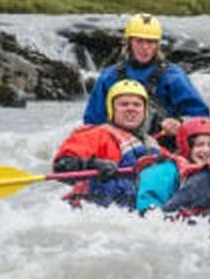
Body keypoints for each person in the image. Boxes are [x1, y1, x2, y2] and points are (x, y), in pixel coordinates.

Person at [82, 13, 210, 143]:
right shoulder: (109, 77)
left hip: (163, 145)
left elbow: (201, 118)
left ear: (157, 45)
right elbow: (92, 122)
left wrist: (179, 124)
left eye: (151, 42)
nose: (145, 47)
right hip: (118, 145)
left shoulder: (173, 77)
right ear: (129, 43)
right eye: (139, 41)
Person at [53, 79, 161, 208]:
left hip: (138, 209)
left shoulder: (151, 144)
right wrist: (93, 164)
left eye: (137, 105)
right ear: (112, 109)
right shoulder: (95, 135)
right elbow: (61, 166)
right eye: (124, 104)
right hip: (95, 210)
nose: (131, 109)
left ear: (144, 111)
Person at [135, 117, 210, 213]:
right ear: (186, 146)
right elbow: (149, 211)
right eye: (199, 145)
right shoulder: (162, 171)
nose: (206, 150)